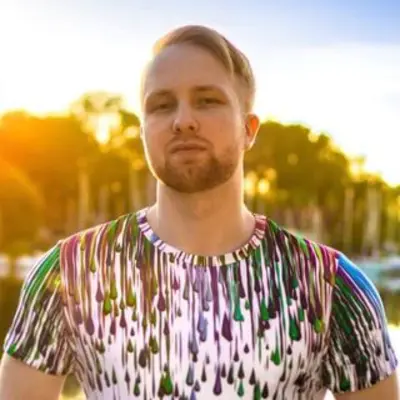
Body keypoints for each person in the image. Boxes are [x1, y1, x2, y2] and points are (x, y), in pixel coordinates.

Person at [0, 24, 398, 400]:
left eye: (207, 101)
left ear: (249, 129)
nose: (183, 121)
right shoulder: (70, 273)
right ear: (142, 130)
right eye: (161, 105)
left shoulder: (330, 286)